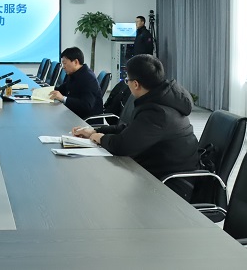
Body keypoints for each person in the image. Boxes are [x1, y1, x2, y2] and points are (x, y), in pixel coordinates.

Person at [72, 54, 198, 196]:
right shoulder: (159, 100)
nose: (128, 84)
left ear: (136, 84)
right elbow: (131, 130)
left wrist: (99, 138)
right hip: (156, 171)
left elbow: (122, 146)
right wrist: (96, 131)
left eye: (127, 80)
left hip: (171, 185)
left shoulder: (157, 113)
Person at [48, 47, 103, 118]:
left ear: (76, 62)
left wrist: (63, 98)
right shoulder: (74, 74)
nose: (63, 67)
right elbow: (61, 90)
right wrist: (43, 91)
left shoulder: (88, 78)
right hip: (73, 113)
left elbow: (86, 106)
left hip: (85, 120)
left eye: (65, 63)